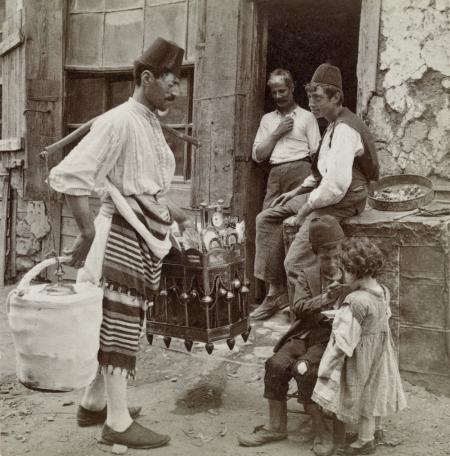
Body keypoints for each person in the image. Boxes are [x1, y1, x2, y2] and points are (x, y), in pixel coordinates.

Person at [48, 37, 191, 450]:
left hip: (141, 236)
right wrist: (86, 232)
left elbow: (141, 184)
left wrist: (174, 212)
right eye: (171, 81)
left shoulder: (146, 120)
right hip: (118, 240)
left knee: (120, 325)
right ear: (146, 79)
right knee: (119, 327)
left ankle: (94, 402)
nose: (177, 90)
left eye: (179, 82)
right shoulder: (119, 121)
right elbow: (70, 175)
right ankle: (117, 421)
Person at [253, 63, 379, 317]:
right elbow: (321, 172)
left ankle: (309, 313)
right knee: (266, 217)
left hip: (343, 199)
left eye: (318, 98)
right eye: (310, 97)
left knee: (295, 261)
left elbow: (335, 185)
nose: (311, 103)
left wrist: (304, 210)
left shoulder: (344, 129)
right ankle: (276, 291)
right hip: (327, 194)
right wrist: (296, 191)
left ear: (336, 98)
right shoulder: (331, 125)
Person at [238, 216, 347, 456]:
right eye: (325, 257)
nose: (331, 262)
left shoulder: (351, 276)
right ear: (315, 254)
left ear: (342, 250)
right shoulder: (305, 274)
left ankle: (322, 432)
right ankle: (276, 427)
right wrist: (323, 300)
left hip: (336, 338)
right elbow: (298, 307)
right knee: (275, 364)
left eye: (336, 256)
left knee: (305, 370)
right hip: (307, 333)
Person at [312, 237, 406, 455]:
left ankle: (365, 441)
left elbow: (344, 339)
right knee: (376, 389)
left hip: (361, 355)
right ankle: (376, 430)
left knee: (363, 394)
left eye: (344, 271)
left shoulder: (355, 301)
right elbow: (382, 317)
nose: (343, 276)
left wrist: (328, 365)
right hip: (380, 351)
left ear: (355, 271)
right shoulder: (382, 290)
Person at [251, 68, 320, 320]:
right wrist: (278, 132)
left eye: (283, 90)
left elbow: (317, 154)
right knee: (267, 226)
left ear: (291, 89)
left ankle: (293, 296)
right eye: (274, 92)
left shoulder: (307, 117)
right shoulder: (268, 120)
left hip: (300, 173)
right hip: (274, 175)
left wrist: (309, 184)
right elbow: (259, 155)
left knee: (289, 226)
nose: (279, 96)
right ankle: (274, 291)